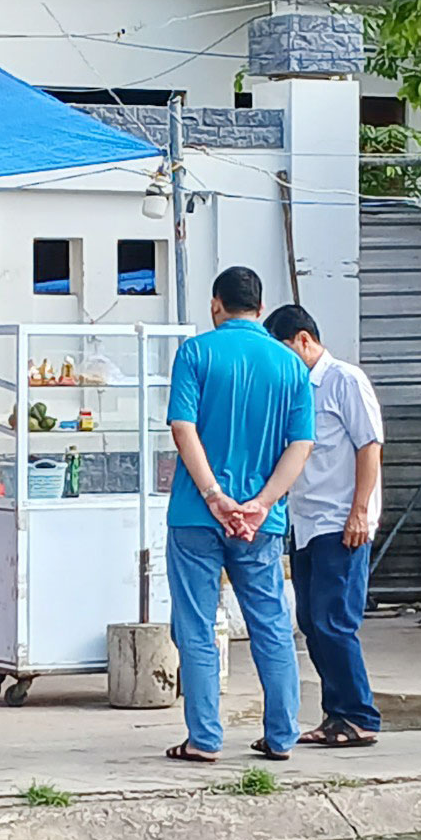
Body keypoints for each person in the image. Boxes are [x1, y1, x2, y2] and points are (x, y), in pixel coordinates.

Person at [162, 267, 316, 764]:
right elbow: (301, 444)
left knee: (196, 625)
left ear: (216, 303)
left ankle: (204, 738)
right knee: (270, 624)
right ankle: (281, 735)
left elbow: (183, 429)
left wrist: (214, 496)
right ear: (259, 305)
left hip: (195, 515)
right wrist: (263, 502)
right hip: (260, 523)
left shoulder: (196, 353)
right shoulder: (290, 365)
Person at [264, 303, 386, 749]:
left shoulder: (344, 380)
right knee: (311, 622)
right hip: (306, 521)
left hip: (341, 521)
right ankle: (337, 713)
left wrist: (359, 511)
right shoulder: (296, 389)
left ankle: (359, 715)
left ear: (303, 340)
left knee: (334, 621)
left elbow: (369, 446)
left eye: (284, 350)